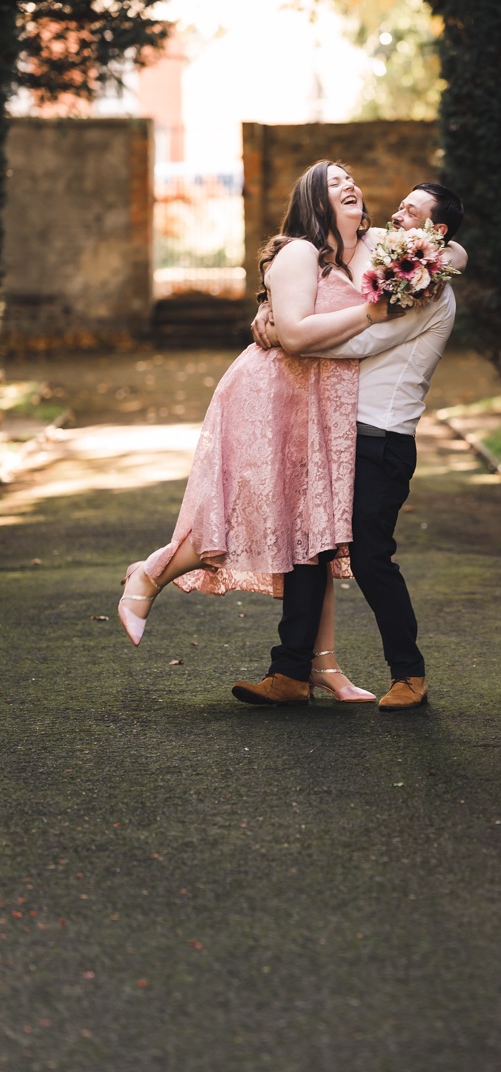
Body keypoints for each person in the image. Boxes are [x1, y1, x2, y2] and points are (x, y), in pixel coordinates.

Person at [116, 160, 421, 704]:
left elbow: (452, 252)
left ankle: (319, 667)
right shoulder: (301, 251)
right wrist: (371, 314)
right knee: (240, 513)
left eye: (350, 177)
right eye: (333, 182)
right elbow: (298, 337)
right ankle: (149, 575)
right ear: (312, 200)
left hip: (322, 404)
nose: (348, 184)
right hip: (273, 396)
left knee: (316, 531)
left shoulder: (376, 248)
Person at [247, 179, 466, 712]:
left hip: (381, 438)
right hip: (339, 429)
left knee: (371, 555)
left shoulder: (425, 286)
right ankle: (289, 673)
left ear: (434, 231)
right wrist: (274, 311)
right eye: (399, 207)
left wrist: (285, 335)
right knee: (310, 546)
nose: (397, 217)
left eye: (411, 212)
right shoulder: (398, 268)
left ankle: (409, 675)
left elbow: (365, 340)